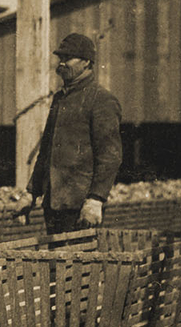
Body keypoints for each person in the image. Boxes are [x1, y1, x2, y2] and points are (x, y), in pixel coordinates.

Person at [24, 32, 123, 236]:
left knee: (79, 264)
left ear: (86, 62)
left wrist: (96, 199)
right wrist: (32, 193)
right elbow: (46, 151)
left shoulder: (101, 100)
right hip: (53, 203)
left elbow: (110, 155)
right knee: (56, 264)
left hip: (81, 206)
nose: (61, 64)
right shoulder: (60, 98)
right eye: (60, 59)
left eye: (67, 58)